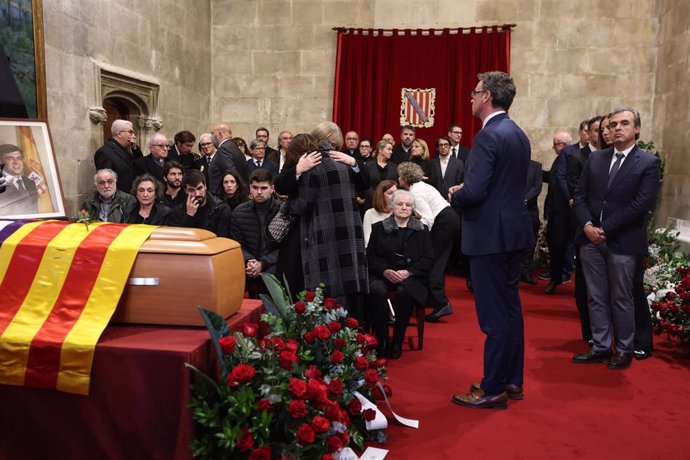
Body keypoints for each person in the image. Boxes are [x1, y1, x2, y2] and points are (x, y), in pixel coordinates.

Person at [449, 71, 533, 409]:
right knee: (511, 309)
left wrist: (457, 193)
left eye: (475, 91)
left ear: (487, 97)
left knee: (494, 316)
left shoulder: (487, 137)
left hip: (490, 237)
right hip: (513, 233)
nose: (471, 97)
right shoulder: (518, 134)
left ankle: (493, 388)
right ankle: (512, 380)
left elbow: (477, 192)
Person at [572, 107, 661, 370]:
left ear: (637, 129)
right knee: (595, 296)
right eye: (613, 124)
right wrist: (588, 225)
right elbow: (580, 196)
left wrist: (604, 228)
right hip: (590, 241)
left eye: (624, 123)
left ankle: (623, 348)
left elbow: (641, 204)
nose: (617, 128)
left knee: (622, 298)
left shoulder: (648, 163)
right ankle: (600, 346)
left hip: (622, 242)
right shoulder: (596, 159)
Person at [302, 122, 370, 312]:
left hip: (322, 227)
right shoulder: (343, 161)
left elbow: (303, 201)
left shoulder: (316, 161)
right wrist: (355, 163)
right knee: (347, 282)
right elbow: (366, 183)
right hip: (347, 227)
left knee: (325, 282)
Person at [367, 189, 433, 359]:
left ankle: (397, 340)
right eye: (400, 204)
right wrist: (385, 271)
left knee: (405, 292)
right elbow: (370, 257)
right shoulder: (379, 228)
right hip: (383, 274)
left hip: (411, 277)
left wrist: (409, 272)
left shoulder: (421, 229)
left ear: (412, 209)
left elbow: (428, 259)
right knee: (376, 290)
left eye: (408, 205)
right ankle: (382, 339)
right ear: (392, 206)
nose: (404, 208)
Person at [397, 162, 460, 322]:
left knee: (433, 262)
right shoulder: (420, 186)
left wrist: (418, 237)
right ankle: (434, 300)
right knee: (436, 261)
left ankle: (441, 303)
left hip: (443, 222)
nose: (398, 179)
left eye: (399, 176)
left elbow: (428, 218)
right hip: (448, 220)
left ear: (405, 177)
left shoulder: (415, 192)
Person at [273, 133, 323, 296]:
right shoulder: (293, 163)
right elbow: (280, 186)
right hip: (296, 225)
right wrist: (298, 169)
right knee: (292, 269)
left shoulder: (321, 161)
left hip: (317, 222)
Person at [231, 169, 281, 298]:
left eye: (263, 188)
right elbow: (237, 244)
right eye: (255, 187)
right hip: (247, 262)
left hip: (274, 265)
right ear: (250, 188)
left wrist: (262, 263)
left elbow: (285, 247)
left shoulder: (282, 212)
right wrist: (250, 260)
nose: (259, 192)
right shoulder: (239, 212)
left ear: (272, 188)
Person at [544, 132, 574, 295]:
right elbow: (553, 178)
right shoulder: (559, 159)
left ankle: (562, 274)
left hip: (567, 209)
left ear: (564, 144)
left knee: (563, 244)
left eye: (555, 143)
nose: (554, 146)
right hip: (556, 209)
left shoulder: (573, 158)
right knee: (555, 244)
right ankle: (557, 275)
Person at [168, 169, 232, 237]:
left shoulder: (221, 209)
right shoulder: (177, 212)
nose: (197, 194)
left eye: (199, 188)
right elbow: (179, 239)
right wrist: (189, 216)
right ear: (186, 191)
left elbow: (223, 239)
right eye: (191, 190)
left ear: (205, 187)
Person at [94, 119, 142, 194]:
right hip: (118, 200)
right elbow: (105, 181)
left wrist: (135, 148)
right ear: (119, 134)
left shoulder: (127, 149)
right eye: (130, 132)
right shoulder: (105, 152)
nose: (133, 136)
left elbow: (139, 165)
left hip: (132, 197)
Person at [521, 159, 543, 284]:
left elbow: (537, 187)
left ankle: (526, 272)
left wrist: (524, 200)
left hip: (530, 210)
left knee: (530, 243)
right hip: (512, 210)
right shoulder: (510, 164)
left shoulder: (536, 166)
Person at [0, 144, 39, 215]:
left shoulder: (30, 182)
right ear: (1, 162)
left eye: (19, 158)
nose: (16, 162)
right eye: (10, 158)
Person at [210, 123, 248, 190]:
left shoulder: (223, 150)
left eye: (212, 134)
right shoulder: (234, 148)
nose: (211, 138)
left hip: (222, 197)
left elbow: (232, 174)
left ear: (219, 134)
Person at [362, 179, 397, 246]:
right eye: (390, 193)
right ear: (381, 196)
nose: (395, 196)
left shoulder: (399, 213)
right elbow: (367, 240)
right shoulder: (370, 213)